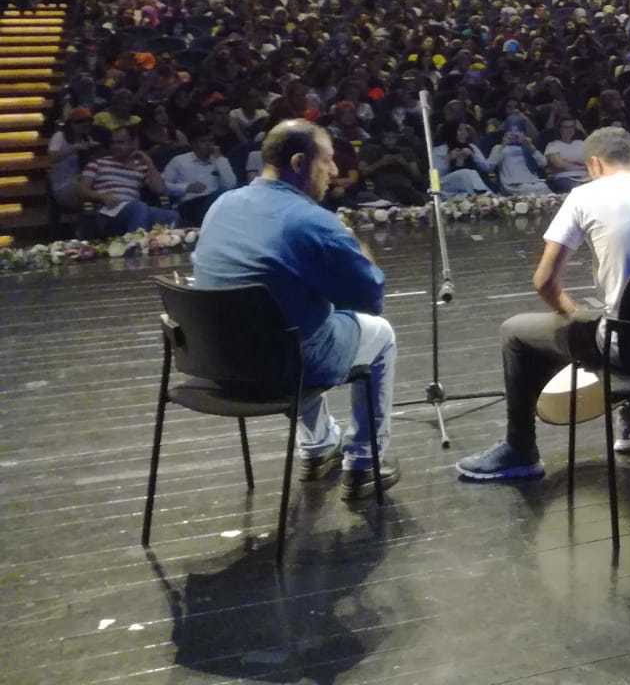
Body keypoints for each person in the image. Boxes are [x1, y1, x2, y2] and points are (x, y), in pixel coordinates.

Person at [454, 127, 630, 481]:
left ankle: (520, 449)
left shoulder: (584, 196)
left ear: (595, 165)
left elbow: (544, 282)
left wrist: (573, 314)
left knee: (517, 332)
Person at [192, 120, 398, 499]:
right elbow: (371, 298)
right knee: (379, 334)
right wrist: (354, 242)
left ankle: (318, 446)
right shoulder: (314, 222)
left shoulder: (222, 205)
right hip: (283, 368)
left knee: (297, 317)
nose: (334, 171)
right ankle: (364, 463)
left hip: (217, 363)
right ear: (300, 162)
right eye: (328, 160)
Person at [79, 126, 178, 236]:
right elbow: (82, 190)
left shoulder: (140, 166)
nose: (115, 146)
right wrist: (101, 197)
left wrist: (148, 162)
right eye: (113, 143)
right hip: (108, 211)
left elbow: (160, 189)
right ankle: (135, 244)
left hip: (134, 208)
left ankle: (161, 245)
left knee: (171, 215)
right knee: (139, 207)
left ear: (133, 143)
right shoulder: (97, 163)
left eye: (120, 142)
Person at [161, 125, 238, 227]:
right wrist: (186, 187)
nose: (209, 145)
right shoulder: (179, 161)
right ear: (193, 144)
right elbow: (162, 185)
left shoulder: (220, 161)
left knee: (237, 190)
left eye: (211, 141)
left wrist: (220, 159)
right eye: (203, 141)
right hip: (189, 204)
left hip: (215, 200)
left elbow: (231, 185)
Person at [487, 126, 551, 196]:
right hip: (513, 183)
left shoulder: (528, 147)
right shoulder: (499, 147)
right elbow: (490, 167)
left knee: (544, 188)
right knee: (527, 189)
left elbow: (543, 163)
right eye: (511, 132)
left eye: (518, 131)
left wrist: (531, 147)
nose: (514, 134)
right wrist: (503, 145)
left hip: (532, 181)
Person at [544, 117, 591, 192]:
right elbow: (559, 164)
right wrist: (582, 165)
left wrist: (568, 161)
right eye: (566, 127)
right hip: (565, 177)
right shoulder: (553, 145)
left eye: (572, 127)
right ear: (560, 129)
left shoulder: (581, 143)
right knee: (581, 190)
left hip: (587, 177)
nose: (569, 130)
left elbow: (593, 161)